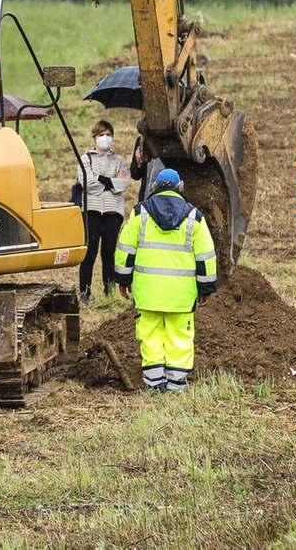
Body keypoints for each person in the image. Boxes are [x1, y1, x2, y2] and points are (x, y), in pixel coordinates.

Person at [115, 168, 217, 393]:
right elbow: (206, 256)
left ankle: (154, 384)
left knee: (150, 335)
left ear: (154, 187)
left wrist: (123, 279)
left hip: (148, 292)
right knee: (179, 336)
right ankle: (176, 385)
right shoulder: (194, 217)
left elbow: (125, 249)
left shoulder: (140, 213)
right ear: (180, 186)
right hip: (181, 294)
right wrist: (206, 288)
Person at [77, 120, 130, 303]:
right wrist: (110, 181)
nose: (105, 138)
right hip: (91, 211)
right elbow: (87, 183)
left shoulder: (120, 160)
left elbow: (123, 184)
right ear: (94, 137)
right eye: (101, 135)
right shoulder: (85, 159)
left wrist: (99, 178)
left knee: (109, 254)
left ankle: (110, 292)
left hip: (112, 212)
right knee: (89, 253)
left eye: (108, 134)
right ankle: (85, 292)